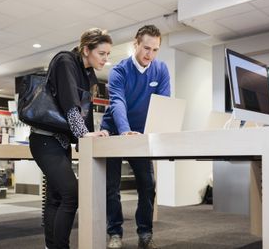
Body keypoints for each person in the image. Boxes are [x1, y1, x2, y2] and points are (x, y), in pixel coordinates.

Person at [29, 28, 112, 249]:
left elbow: (86, 108)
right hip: (44, 140)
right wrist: (83, 134)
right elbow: (70, 105)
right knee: (71, 195)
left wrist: (88, 139)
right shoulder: (66, 61)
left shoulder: (87, 73)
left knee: (56, 198)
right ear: (86, 49)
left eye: (107, 54)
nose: (106, 58)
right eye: (102, 53)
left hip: (60, 142)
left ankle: (51, 246)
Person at [101, 25, 170, 249]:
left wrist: (158, 129)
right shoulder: (119, 71)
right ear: (135, 44)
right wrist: (124, 131)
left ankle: (145, 233)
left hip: (141, 135)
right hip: (114, 132)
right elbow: (118, 102)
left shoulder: (160, 69)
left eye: (155, 50)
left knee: (147, 184)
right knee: (111, 187)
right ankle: (114, 233)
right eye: (146, 48)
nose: (150, 54)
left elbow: (164, 103)